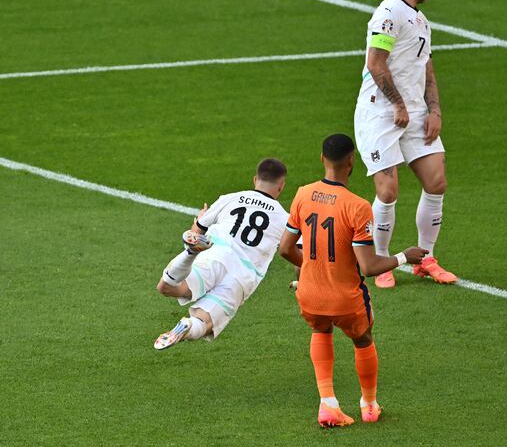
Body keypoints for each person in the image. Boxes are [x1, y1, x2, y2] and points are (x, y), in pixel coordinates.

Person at [278, 133, 428, 427]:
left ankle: (327, 404)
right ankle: (369, 406)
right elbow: (370, 267)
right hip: (345, 298)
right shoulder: (358, 207)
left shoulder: (302, 194)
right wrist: (403, 257)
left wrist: (310, 268)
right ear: (352, 162)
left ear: (322, 159)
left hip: (309, 294)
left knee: (320, 330)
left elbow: (285, 248)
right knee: (362, 339)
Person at [353, 0, 456, 288]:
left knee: (436, 181)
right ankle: (381, 262)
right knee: (388, 189)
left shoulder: (422, 21)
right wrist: (397, 104)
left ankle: (425, 257)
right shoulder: (387, 14)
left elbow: (427, 69)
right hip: (381, 113)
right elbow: (376, 62)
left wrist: (435, 111)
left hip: (414, 114)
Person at [153, 158, 289, 350]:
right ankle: (187, 326)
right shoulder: (285, 219)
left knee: (166, 287)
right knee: (204, 323)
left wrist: (198, 222)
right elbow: (295, 250)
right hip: (242, 276)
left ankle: (190, 253)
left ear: (255, 179)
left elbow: (196, 231)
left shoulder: (230, 198)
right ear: (281, 187)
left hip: (216, 253)